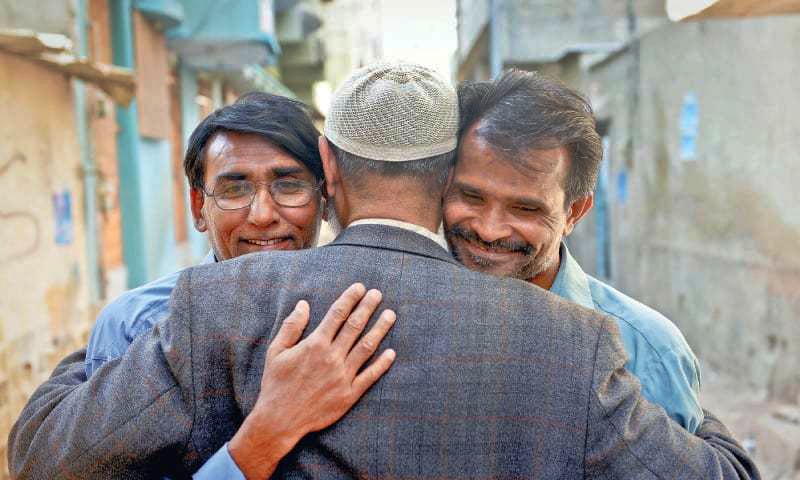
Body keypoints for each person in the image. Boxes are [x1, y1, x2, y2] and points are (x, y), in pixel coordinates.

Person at [9, 62, 758, 479]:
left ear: (328, 166)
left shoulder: (215, 304)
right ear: (449, 174)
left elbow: (43, 453)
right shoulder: (577, 344)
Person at [444, 69, 703, 431]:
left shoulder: (649, 353)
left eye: (525, 208)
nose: (489, 230)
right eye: (471, 196)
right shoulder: (395, 319)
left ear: (574, 212)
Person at [84, 91, 325, 378]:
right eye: (235, 190)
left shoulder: (360, 312)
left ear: (324, 197)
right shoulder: (134, 328)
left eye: (288, 186)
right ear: (199, 208)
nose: (262, 215)